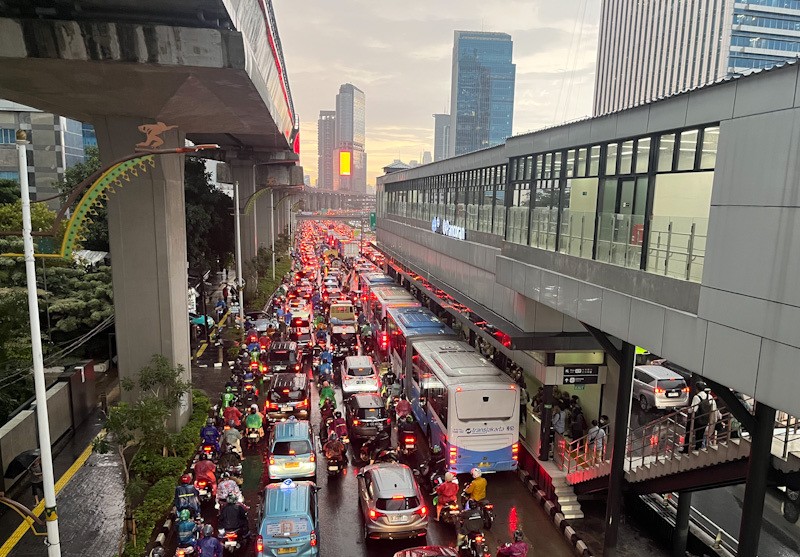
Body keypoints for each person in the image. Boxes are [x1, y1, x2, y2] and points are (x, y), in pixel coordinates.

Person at [687, 381, 717, 451]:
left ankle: (686, 448)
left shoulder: (697, 397)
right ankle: (698, 448)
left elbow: (693, 409)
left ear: (697, 389)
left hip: (697, 419)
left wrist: (688, 410)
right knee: (700, 435)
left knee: (689, 431)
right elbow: (713, 408)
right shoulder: (709, 396)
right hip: (705, 419)